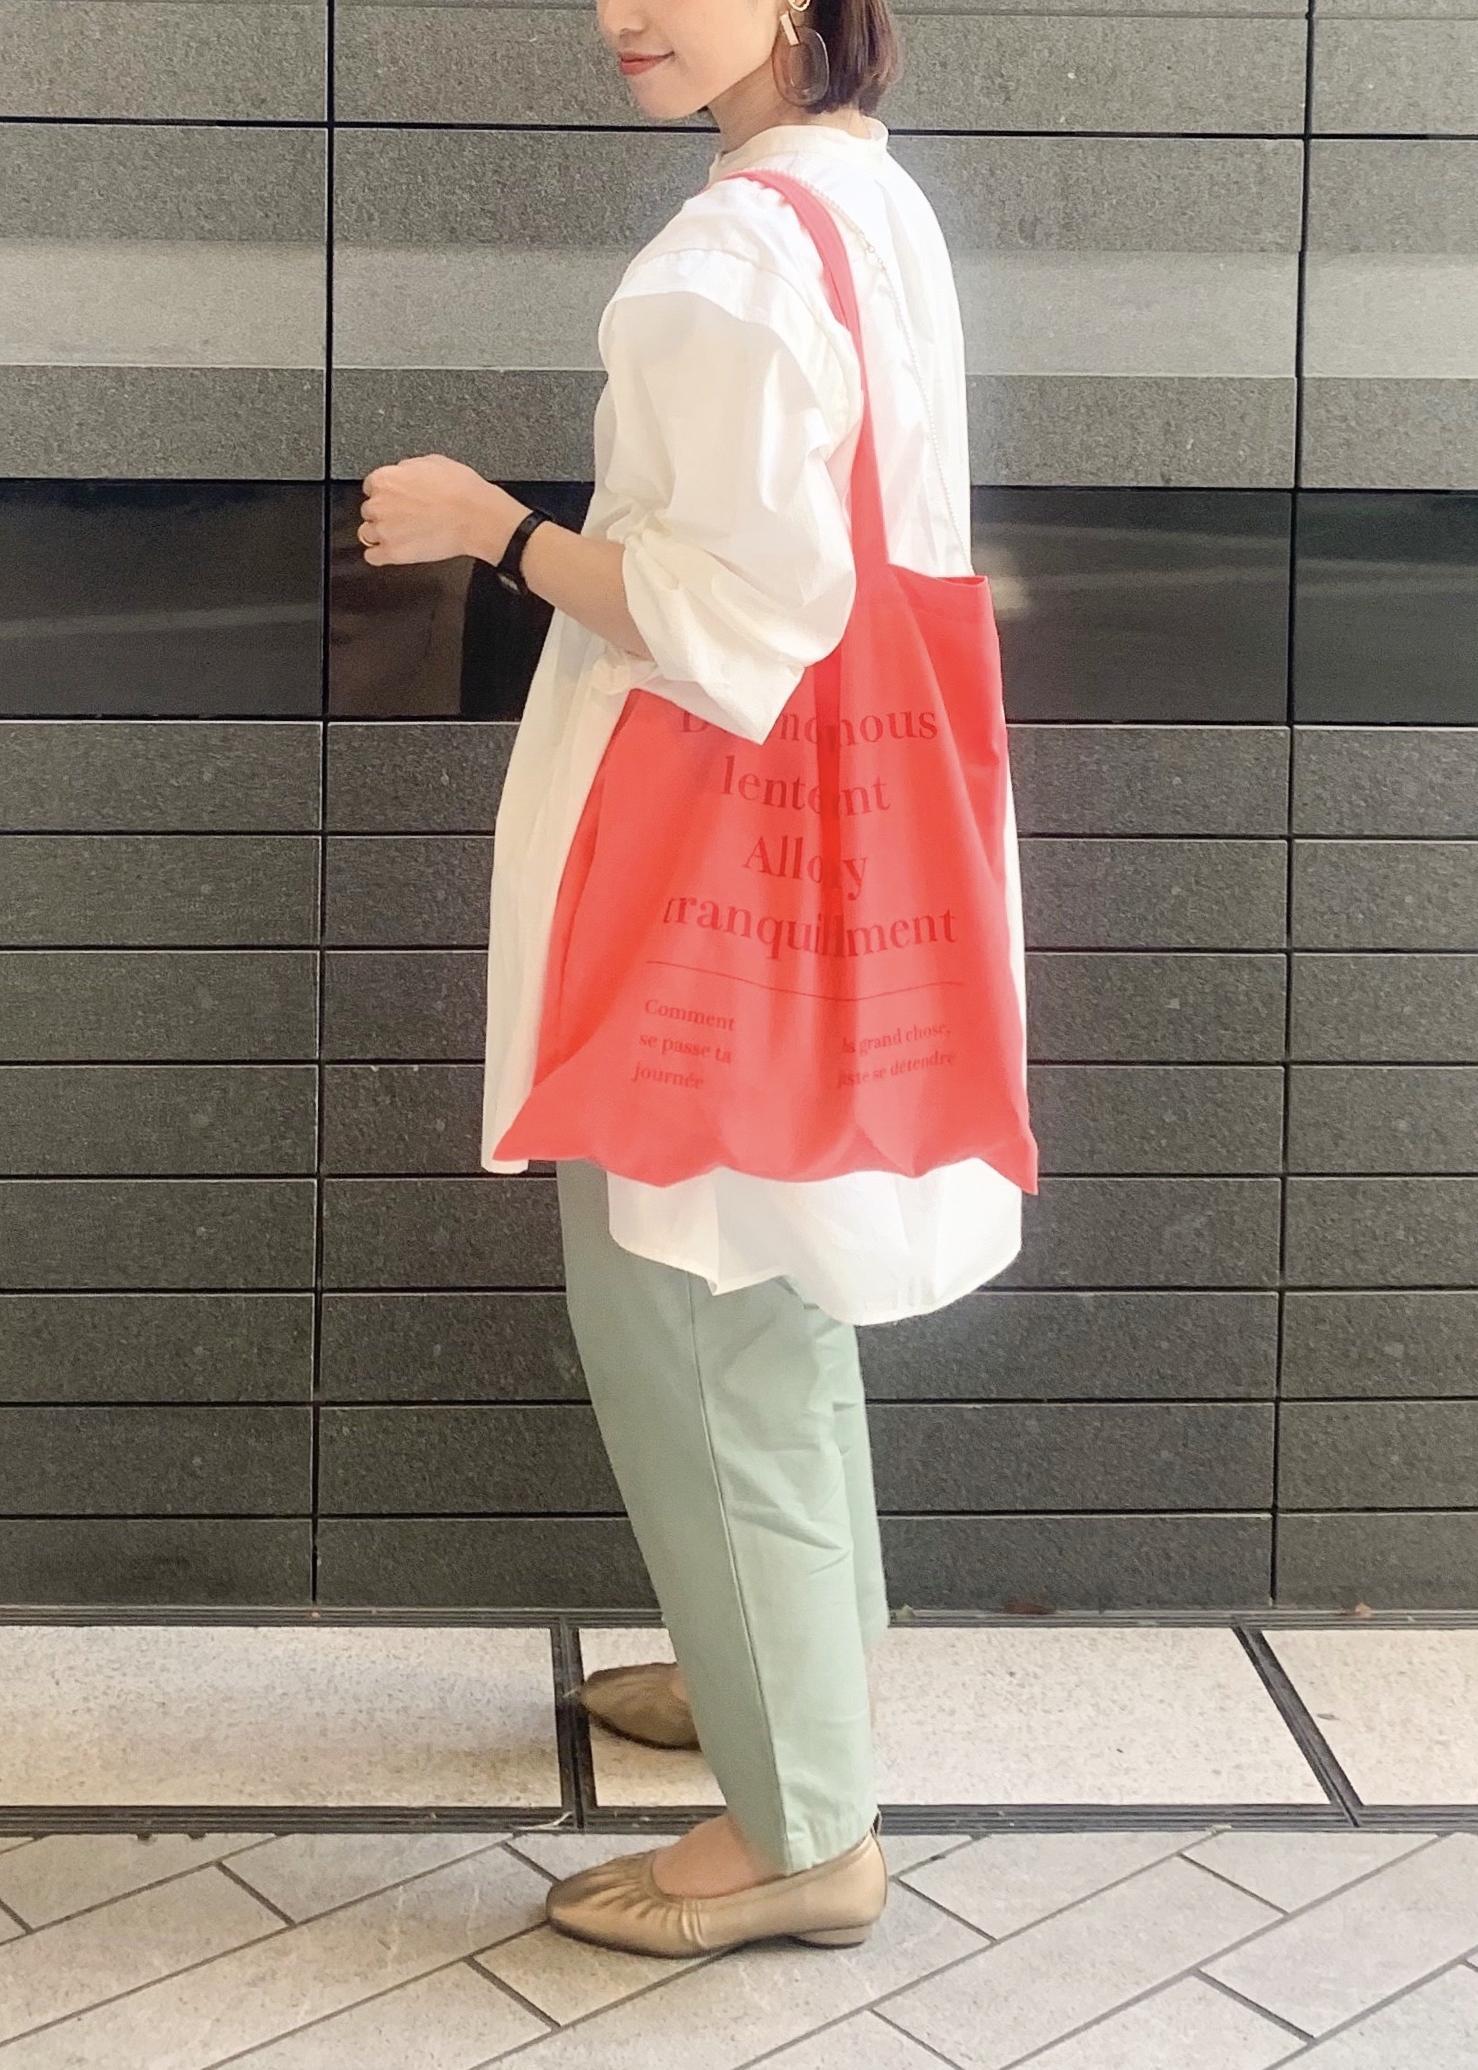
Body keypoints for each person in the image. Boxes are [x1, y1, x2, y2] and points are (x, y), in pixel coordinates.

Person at [357, 0, 1029, 1961]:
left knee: (689, 1299)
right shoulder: (861, 201)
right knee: (772, 1273)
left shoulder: (728, 257)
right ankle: (785, 1666)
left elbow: (729, 624)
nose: (622, 12)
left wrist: (491, 530)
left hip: (709, 859)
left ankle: (803, 1826)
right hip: (852, 840)